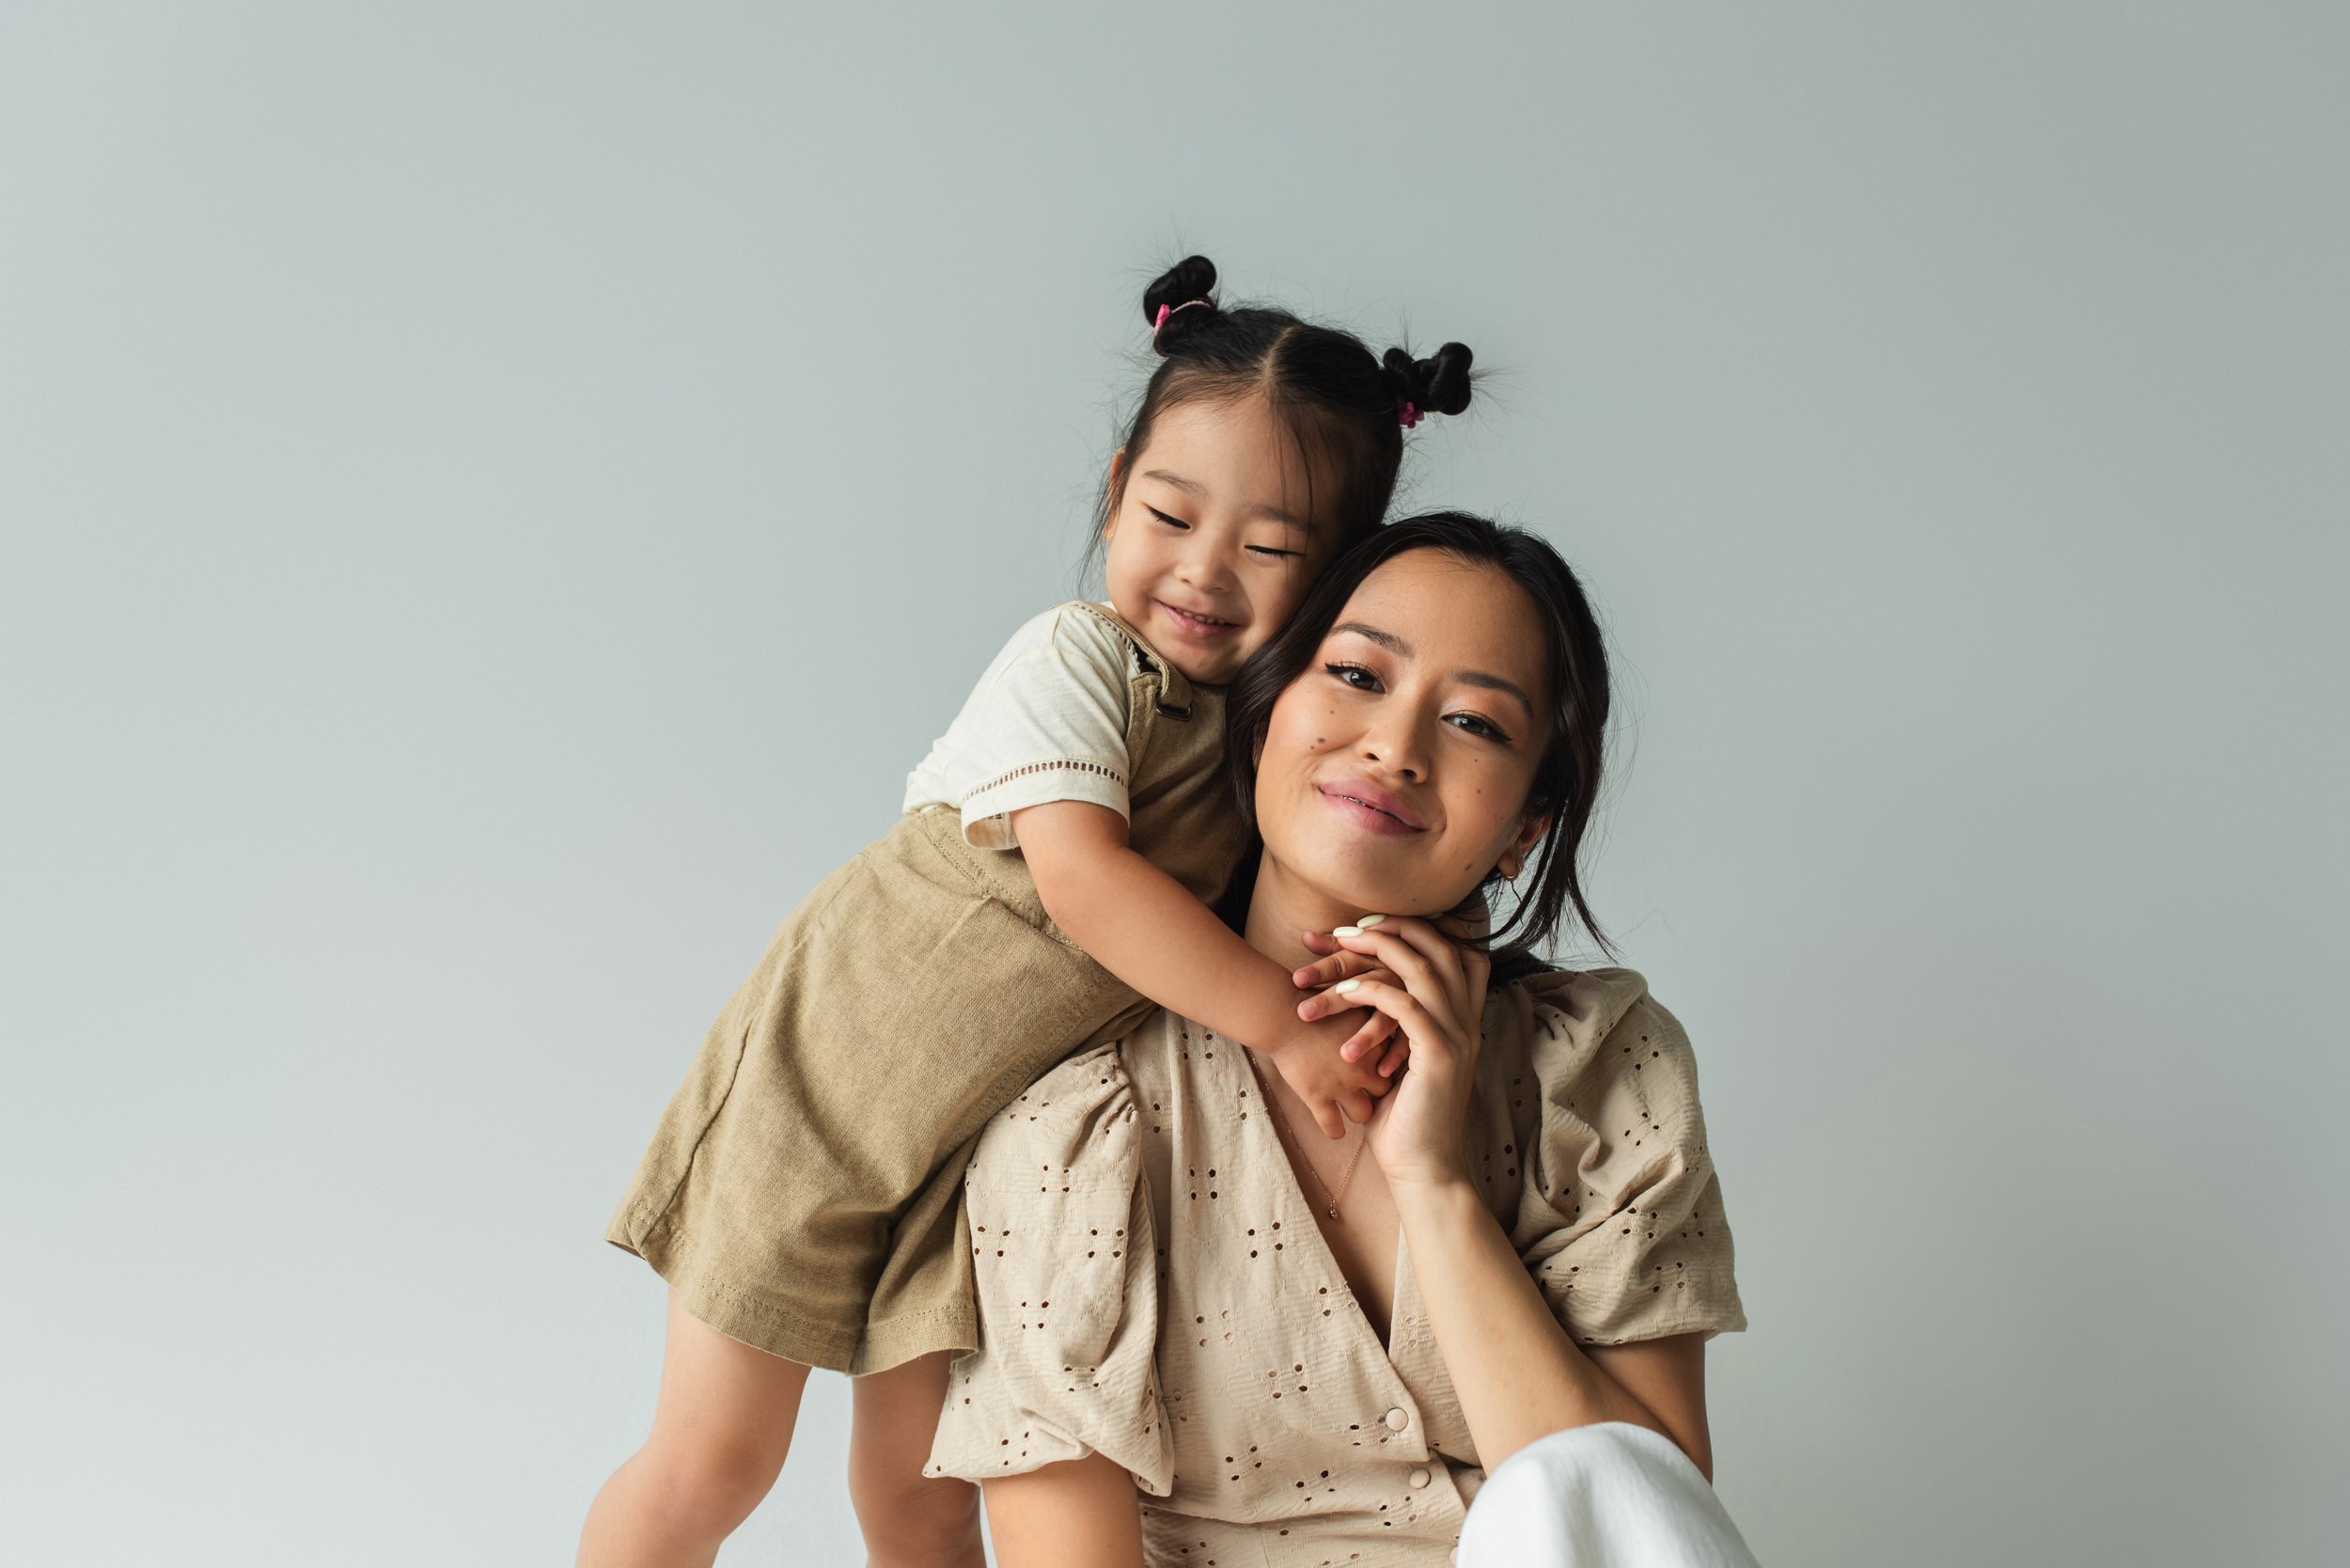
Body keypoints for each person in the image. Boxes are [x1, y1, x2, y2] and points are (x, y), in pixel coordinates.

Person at [577, 259, 1480, 1568]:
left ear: (1337, 581)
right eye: (1170, 514)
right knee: (713, 1463)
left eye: (1272, 550)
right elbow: (1085, 882)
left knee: (927, 1493)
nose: (1206, 573)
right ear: (1117, 493)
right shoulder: (1077, 660)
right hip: (822, 1095)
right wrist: (1289, 1033)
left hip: (968, 1159)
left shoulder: (1268, 752)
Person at [928, 513, 1758, 1566]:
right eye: (1360, 676)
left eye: (1476, 725)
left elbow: (1643, 1526)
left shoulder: (1597, 1071)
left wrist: (1434, 1181)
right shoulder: (1077, 1122)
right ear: (1266, 712)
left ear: (1525, 828)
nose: (1395, 748)